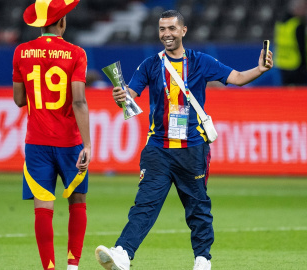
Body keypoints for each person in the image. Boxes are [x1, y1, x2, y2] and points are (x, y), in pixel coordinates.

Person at [95, 10, 273, 270]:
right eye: (162, 29)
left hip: (192, 148)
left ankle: (202, 259)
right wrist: (120, 96)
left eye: (171, 28)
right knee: (145, 203)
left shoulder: (200, 61)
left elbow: (235, 78)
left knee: (198, 207)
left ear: (183, 31)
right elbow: (130, 95)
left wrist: (260, 68)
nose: (166, 34)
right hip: (158, 148)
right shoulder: (149, 65)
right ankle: (122, 252)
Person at [12, 1, 91, 269]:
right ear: (62, 22)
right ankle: (73, 266)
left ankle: (49, 267)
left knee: (42, 209)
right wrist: (88, 144)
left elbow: (19, 99)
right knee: (77, 203)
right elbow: (79, 101)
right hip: (69, 142)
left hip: (37, 142)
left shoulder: (21, 51)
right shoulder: (76, 53)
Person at [274, 0, 307, 86]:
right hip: (297, 65)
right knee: (300, 95)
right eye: (305, 8)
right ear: (298, 8)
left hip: (283, 64)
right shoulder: (297, 25)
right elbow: (302, 47)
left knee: (286, 94)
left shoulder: (281, 23)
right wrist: (305, 66)